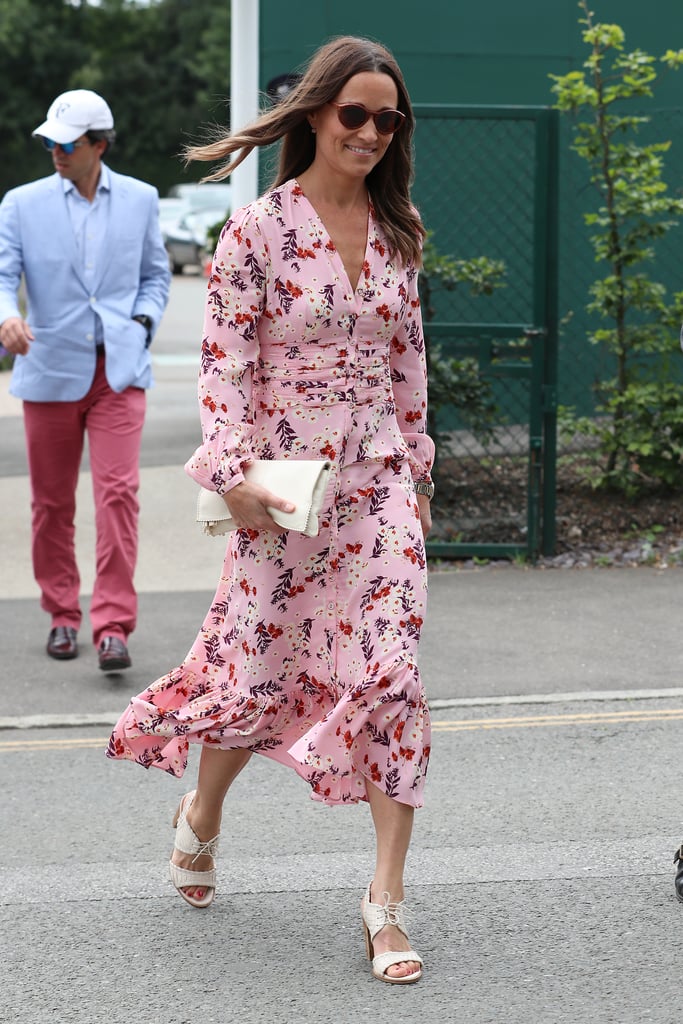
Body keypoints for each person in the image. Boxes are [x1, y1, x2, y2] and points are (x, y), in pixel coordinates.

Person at [107, 36, 434, 984]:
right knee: (260, 674)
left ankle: (384, 903)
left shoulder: (400, 226)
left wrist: (416, 465)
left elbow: (409, 362)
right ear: (316, 115)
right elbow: (224, 369)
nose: (371, 132)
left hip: (376, 484)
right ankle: (200, 817)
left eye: (388, 119)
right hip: (281, 487)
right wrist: (231, 475)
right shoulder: (254, 231)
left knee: (392, 674)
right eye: (355, 114)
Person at [0, 89, 171, 671]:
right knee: (51, 503)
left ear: (99, 145)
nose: (54, 151)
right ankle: (61, 615)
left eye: (66, 143)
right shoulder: (21, 204)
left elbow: (156, 275)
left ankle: (113, 625)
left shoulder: (142, 199)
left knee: (118, 495)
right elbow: (3, 276)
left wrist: (143, 324)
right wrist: (8, 317)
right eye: (49, 142)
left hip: (118, 370)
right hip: (48, 368)